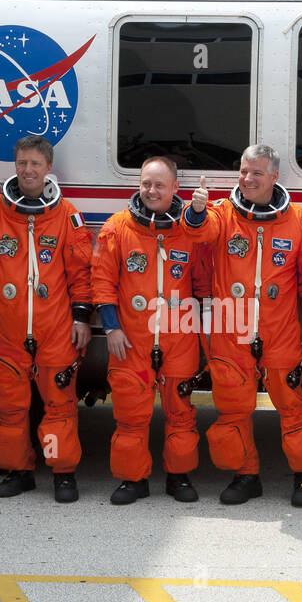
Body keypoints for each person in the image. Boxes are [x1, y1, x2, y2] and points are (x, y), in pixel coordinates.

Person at [0, 137, 94, 503]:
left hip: (55, 331)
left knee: (59, 409)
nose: (27, 170)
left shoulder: (66, 215)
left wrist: (82, 318)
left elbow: (81, 274)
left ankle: (62, 473)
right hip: (7, 332)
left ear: (47, 169)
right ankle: (18, 471)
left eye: (35, 164)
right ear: (15, 166)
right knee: (10, 410)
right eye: (22, 163)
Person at [196, 144, 302, 506]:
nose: (247, 179)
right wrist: (195, 210)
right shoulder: (222, 213)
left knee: (292, 405)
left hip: (280, 329)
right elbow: (199, 234)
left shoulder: (298, 220)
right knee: (233, 406)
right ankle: (245, 475)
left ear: (273, 177)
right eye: (243, 171)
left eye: (255, 173)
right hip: (230, 328)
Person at [91, 157, 218, 504]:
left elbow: (203, 284)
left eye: (159, 185)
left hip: (179, 337)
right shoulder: (117, 228)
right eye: (146, 183)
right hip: (130, 339)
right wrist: (111, 328)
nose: (151, 190)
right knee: (130, 414)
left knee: (181, 413)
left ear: (175, 188)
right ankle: (133, 480)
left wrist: (203, 336)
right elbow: (102, 282)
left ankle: (179, 476)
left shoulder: (188, 232)